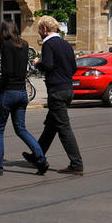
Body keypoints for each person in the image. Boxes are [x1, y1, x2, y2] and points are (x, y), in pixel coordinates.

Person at [0, 19, 47, 176]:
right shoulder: (25, 44)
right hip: (22, 91)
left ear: (4, 31)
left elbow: (7, 72)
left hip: (8, 92)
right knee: (21, 129)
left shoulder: (6, 45)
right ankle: (41, 159)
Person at [33, 15, 83, 174]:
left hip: (57, 91)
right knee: (51, 126)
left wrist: (37, 63)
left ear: (45, 30)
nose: (39, 33)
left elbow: (48, 65)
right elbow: (74, 68)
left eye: (39, 30)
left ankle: (76, 164)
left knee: (63, 128)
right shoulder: (66, 44)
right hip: (68, 89)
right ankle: (37, 155)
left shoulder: (48, 44)